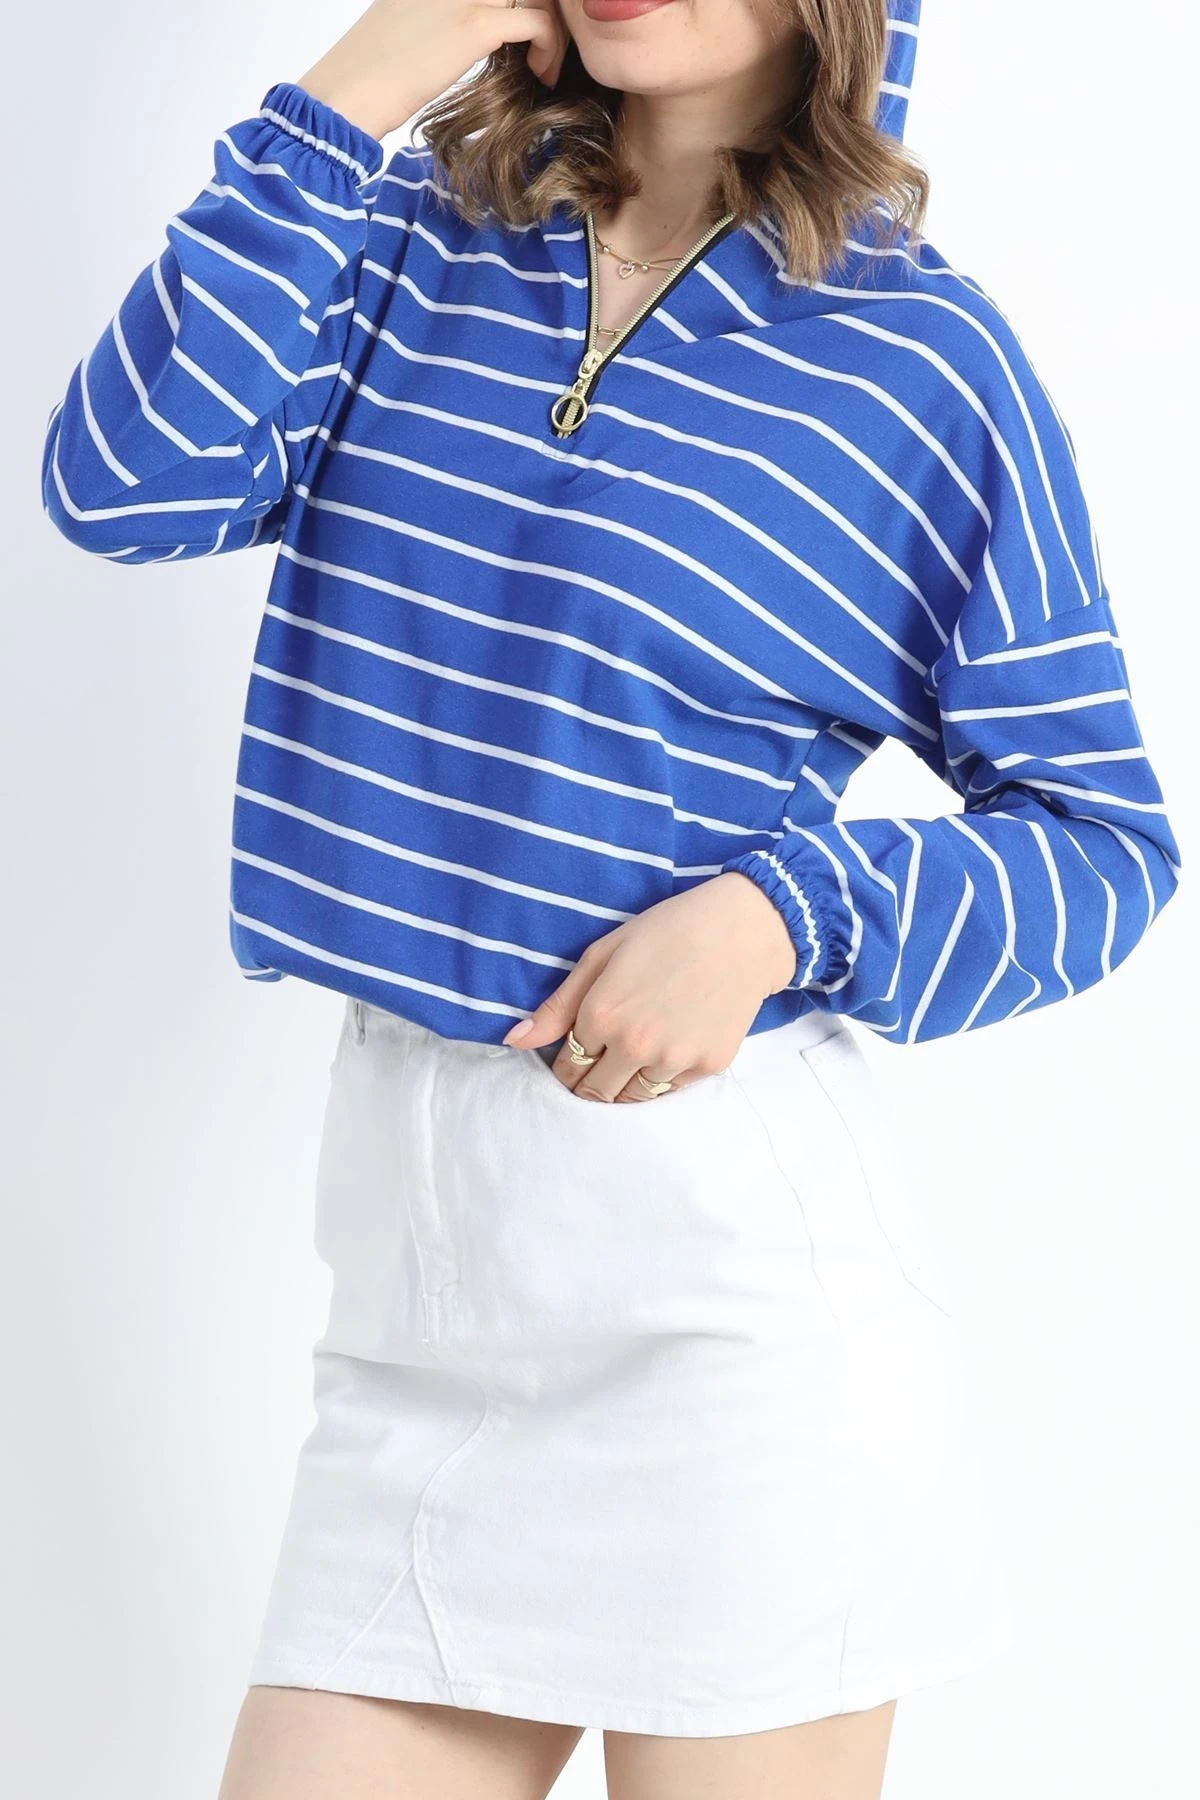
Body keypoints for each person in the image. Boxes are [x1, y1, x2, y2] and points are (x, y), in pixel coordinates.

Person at [41, 3, 1182, 1797]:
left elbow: (1102, 839)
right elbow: (123, 488)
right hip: (408, 1324)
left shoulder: (918, 360)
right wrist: (353, 89)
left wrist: (781, 916)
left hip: (726, 1328)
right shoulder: (409, 239)